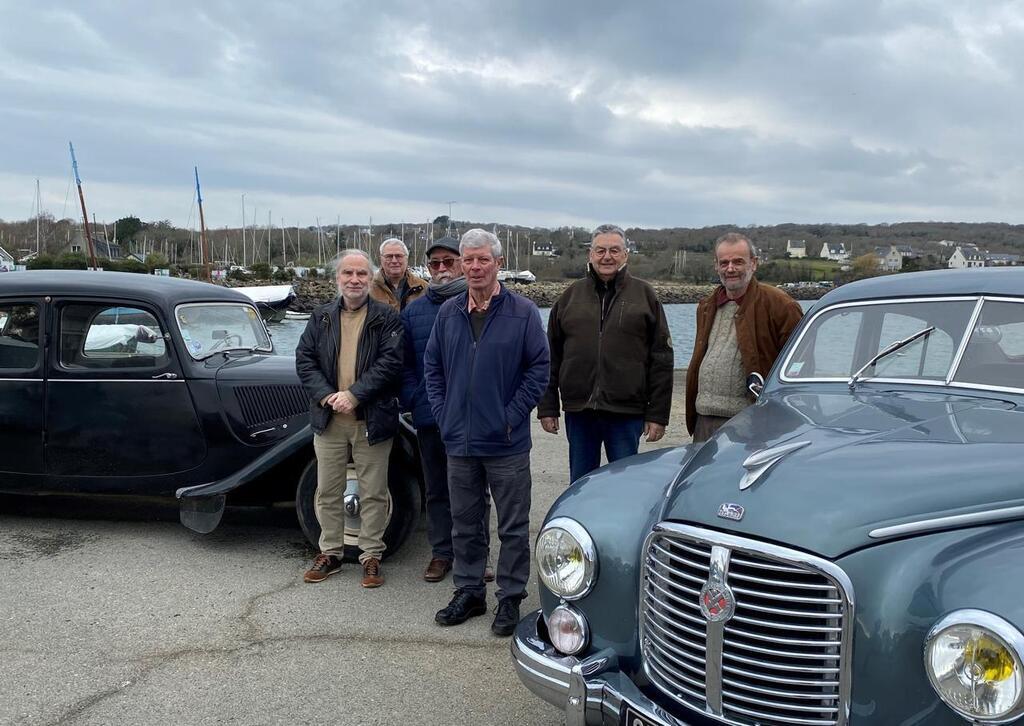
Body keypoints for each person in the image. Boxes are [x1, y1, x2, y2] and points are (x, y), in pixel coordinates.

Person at [424, 229, 549, 636]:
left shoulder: (523, 312)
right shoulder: (449, 313)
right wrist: (444, 415)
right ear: (461, 263)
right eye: (468, 260)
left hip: (506, 442)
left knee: (512, 524)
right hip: (459, 441)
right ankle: (470, 591)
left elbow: (539, 370)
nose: (474, 267)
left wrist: (510, 416)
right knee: (465, 521)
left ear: (498, 263)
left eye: (483, 260)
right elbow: (433, 369)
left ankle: (510, 597)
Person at [295, 249, 404, 588]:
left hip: (371, 418)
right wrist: (328, 395)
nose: (355, 280)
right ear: (337, 279)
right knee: (328, 490)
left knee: (374, 492)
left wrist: (354, 394)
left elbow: (391, 364)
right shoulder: (321, 317)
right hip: (329, 420)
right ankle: (330, 552)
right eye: (348, 274)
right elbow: (304, 360)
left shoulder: (388, 318)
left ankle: (371, 555)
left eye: (361, 274)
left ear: (371, 279)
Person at [538, 224, 673, 484]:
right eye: (600, 250)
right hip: (580, 411)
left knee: (623, 485)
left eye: (614, 250)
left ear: (625, 255)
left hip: (626, 413)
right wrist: (548, 406)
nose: (607, 256)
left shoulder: (645, 296)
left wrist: (657, 415)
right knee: (580, 484)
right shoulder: (570, 297)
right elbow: (550, 356)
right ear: (590, 254)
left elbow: (662, 358)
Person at [400, 237, 494, 584]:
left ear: (462, 263)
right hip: (430, 416)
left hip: (472, 418)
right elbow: (406, 365)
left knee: (475, 491)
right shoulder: (414, 311)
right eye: (435, 263)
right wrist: (414, 398)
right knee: (437, 488)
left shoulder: (479, 304)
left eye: (448, 262)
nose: (441, 269)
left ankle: (477, 553)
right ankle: (442, 552)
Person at [686, 232, 803, 442]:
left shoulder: (780, 305)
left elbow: (800, 365)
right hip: (703, 420)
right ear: (716, 265)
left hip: (750, 421)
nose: (730, 268)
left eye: (738, 261)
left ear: (754, 263)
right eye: (724, 262)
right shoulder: (706, 306)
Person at [370, 238, 427, 311]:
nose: (394, 261)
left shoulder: (424, 288)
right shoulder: (368, 289)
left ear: (406, 258)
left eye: (399, 256)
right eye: (389, 256)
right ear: (381, 259)